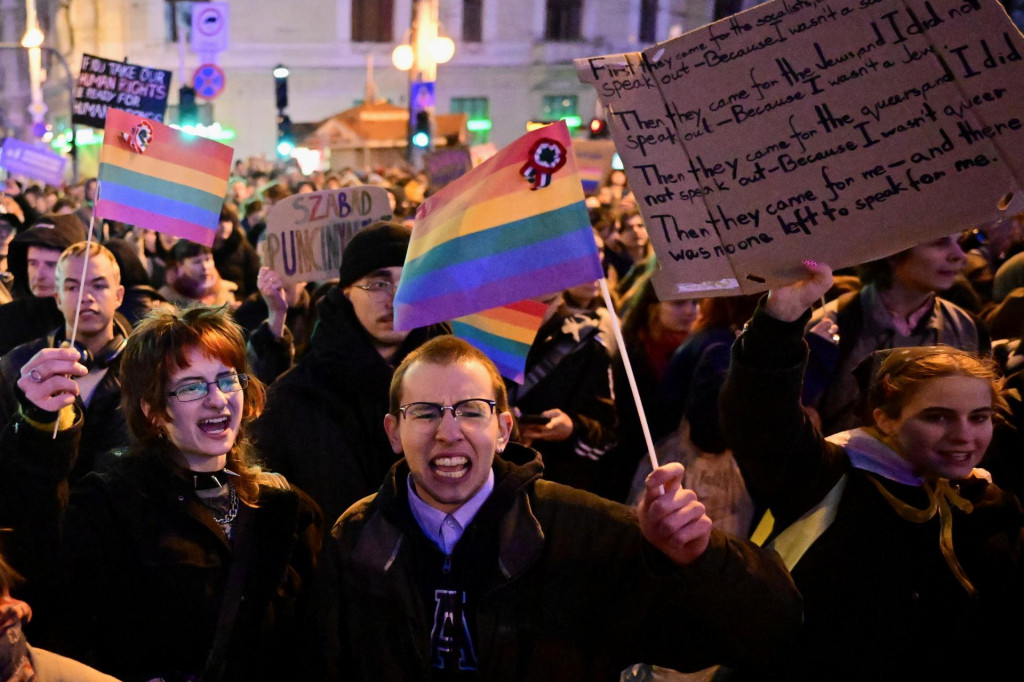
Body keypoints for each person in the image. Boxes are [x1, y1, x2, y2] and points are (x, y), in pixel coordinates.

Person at [321, 335, 801, 680]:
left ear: (503, 430)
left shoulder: (587, 531)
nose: (448, 432)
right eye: (425, 413)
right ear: (393, 432)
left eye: (471, 411)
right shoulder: (356, 538)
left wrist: (699, 559)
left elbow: (767, 633)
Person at [720, 261, 1023, 680]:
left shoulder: (987, 503)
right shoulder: (831, 476)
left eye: (979, 417)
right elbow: (761, 415)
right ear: (884, 418)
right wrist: (779, 319)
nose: (963, 436)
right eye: (937, 417)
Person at [0, 305, 322, 681]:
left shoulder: (285, 508)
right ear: (152, 410)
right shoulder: (111, 506)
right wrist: (40, 429)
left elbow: (317, 645)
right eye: (192, 386)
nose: (217, 399)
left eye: (227, 380)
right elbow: (43, 568)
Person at [254, 222, 449, 526]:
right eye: (379, 284)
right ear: (346, 292)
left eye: (408, 281)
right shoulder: (296, 397)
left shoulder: (455, 382)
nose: (395, 297)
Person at [806, 235, 987, 434]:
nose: (960, 255)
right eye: (940, 242)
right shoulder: (828, 325)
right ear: (892, 250)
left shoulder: (966, 326)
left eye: (958, 242)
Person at [0, 242, 131, 479]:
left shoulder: (144, 367)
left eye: (99, 285)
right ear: (58, 298)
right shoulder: (18, 364)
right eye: (72, 287)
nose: (86, 297)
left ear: (119, 295)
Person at [0, 213, 86, 355]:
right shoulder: (7, 319)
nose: (39, 275)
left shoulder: (92, 320)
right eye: (33, 263)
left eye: (51, 265)